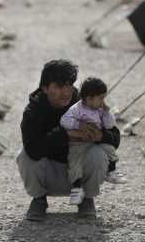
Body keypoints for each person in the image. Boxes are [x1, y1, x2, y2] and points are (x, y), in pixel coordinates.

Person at [17, 60, 121, 221]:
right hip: (49, 175)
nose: (66, 92)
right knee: (24, 155)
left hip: (79, 173)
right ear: (45, 88)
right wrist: (69, 134)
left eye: (69, 85)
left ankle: (87, 200)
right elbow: (32, 149)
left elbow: (115, 138)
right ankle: (38, 200)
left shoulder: (86, 103)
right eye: (59, 86)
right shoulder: (34, 110)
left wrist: (100, 136)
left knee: (99, 154)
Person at [60, 77, 126, 206]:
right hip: (78, 143)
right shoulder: (76, 109)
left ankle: (111, 171)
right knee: (75, 163)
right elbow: (64, 121)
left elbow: (109, 125)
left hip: (95, 142)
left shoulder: (101, 110)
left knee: (109, 149)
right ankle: (77, 188)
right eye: (100, 98)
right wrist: (79, 125)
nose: (103, 101)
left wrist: (107, 113)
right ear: (89, 98)